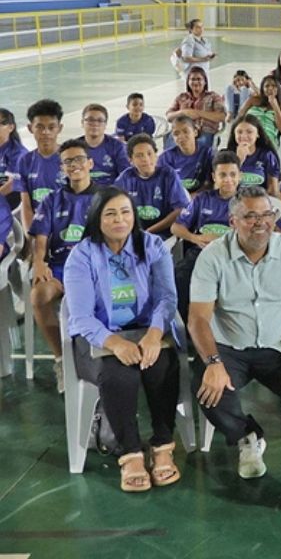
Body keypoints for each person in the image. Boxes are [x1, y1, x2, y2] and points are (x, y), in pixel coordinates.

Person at [189, 186, 281, 508]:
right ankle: (248, 434)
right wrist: (214, 363)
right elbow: (198, 319)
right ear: (233, 221)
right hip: (229, 346)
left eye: (267, 215)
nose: (261, 222)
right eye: (250, 216)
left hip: (279, 346)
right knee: (208, 389)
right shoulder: (212, 257)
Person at [63, 187, 182, 492]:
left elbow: (167, 298)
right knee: (119, 377)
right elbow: (81, 317)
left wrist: (155, 334)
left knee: (162, 367)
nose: (119, 219)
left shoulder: (153, 245)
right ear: (97, 219)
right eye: (110, 213)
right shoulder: (83, 255)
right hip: (99, 339)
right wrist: (115, 343)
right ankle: (130, 454)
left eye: (126, 212)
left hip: (145, 331)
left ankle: (163, 444)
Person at [30, 139, 97, 389]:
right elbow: (40, 240)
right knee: (39, 296)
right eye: (68, 161)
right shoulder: (51, 200)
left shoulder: (104, 198)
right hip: (59, 269)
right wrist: (39, 262)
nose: (74, 165)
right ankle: (61, 360)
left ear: (90, 163)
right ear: (62, 168)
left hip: (92, 271)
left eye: (79, 159)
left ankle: (94, 360)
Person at [170, 151, 241, 319]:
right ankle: (184, 331)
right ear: (214, 176)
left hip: (234, 255)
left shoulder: (246, 200)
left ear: (240, 176)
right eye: (222, 175)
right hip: (201, 253)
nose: (228, 179)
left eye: (232, 174)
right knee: (179, 277)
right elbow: (176, 227)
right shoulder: (202, 199)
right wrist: (195, 238)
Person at [115, 135, 189, 236]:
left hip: (162, 233)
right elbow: (114, 206)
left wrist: (149, 232)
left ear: (156, 155)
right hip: (132, 233)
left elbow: (180, 209)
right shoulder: (125, 178)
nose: (146, 159)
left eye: (149, 153)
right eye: (139, 155)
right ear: (131, 160)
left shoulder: (168, 175)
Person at [13, 98, 64, 230]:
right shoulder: (25, 161)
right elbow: (26, 205)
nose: (45, 132)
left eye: (51, 127)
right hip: (39, 228)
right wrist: (31, 236)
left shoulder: (70, 158)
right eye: (40, 127)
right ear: (30, 128)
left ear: (59, 128)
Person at [166, 68, 227, 155]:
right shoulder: (182, 97)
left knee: (197, 148)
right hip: (182, 131)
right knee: (171, 145)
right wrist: (183, 112)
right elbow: (169, 116)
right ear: (188, 82)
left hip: (205, 132)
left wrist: (198, 113)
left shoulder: (213, 97)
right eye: (192, 79)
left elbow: (222, 116)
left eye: (199, 79)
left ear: (205, 81)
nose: (195, 82)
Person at [78, 104, 131, 185]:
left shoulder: (117, 147)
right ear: (82, 123)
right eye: (90, 120)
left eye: (100, 120)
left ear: (105, 124)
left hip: (111, 193)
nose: (95, 124)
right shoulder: (74, 148)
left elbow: (126, 176)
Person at [158, 116, 212, 196]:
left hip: (201, 198)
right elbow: (161, 185)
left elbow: (210, 183)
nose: (181, 137)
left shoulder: (208, 153)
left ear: (195, 132)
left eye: (186, 131)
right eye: (176, 134)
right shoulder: (166, 157)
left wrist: (193, 196)